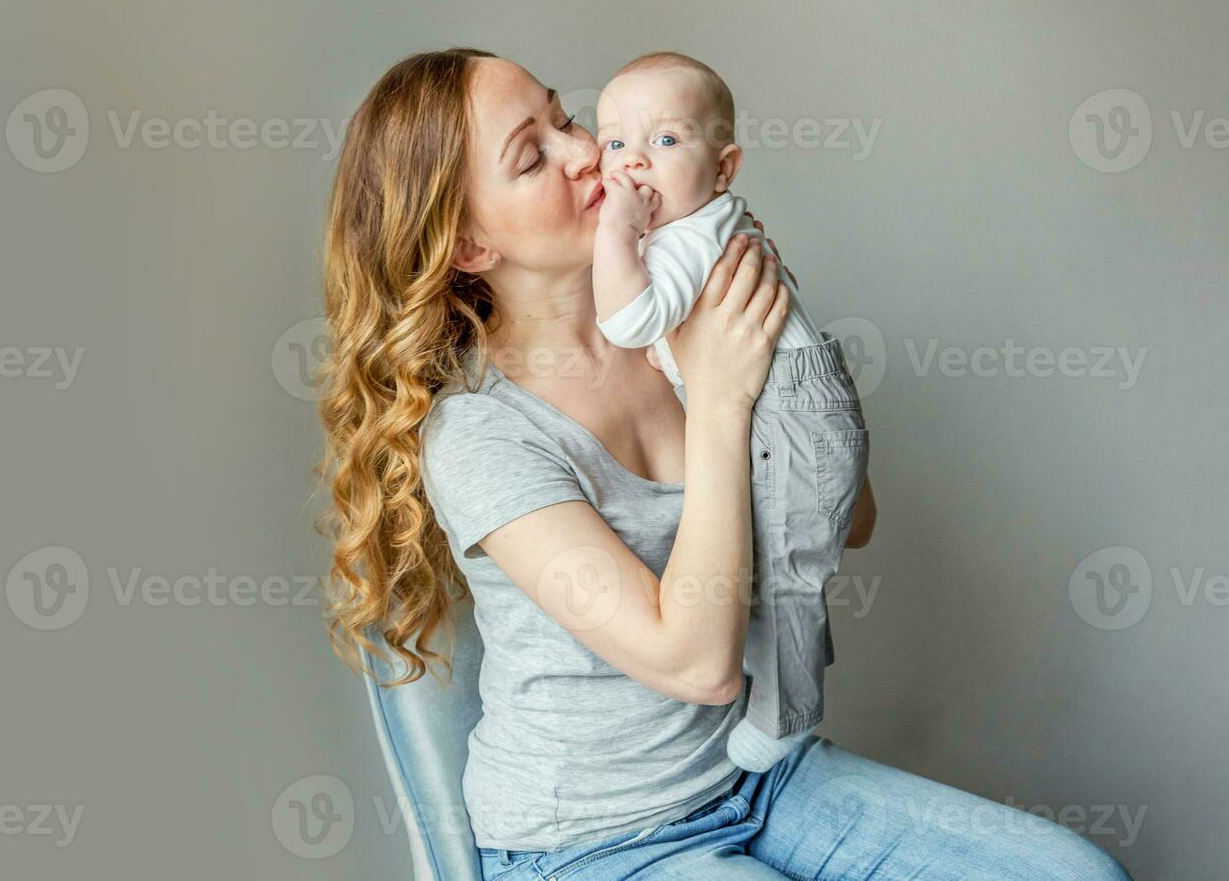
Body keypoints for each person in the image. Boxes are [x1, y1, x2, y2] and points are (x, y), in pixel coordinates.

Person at [316, 46, 1132, 879]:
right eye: (533, 156)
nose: (585, 152)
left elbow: (855, 520)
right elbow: (698, 666)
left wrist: (784, 355)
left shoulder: (688, 311)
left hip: (760, 780)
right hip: (592, 843)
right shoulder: (483, 435)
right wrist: (718, 399)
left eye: (563, 117)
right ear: (469, 248)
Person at [589, 50, 868, 772]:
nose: (633, 165)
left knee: (783, 572)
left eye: (666, 141)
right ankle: (791, 675)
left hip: (792, 406)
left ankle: (787, 714)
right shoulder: (704, 228)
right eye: (615, 143)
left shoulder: (679, 238)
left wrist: (616, 229)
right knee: (783, 568)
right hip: (802, 397)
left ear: (725, 166)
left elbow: (628, 321)